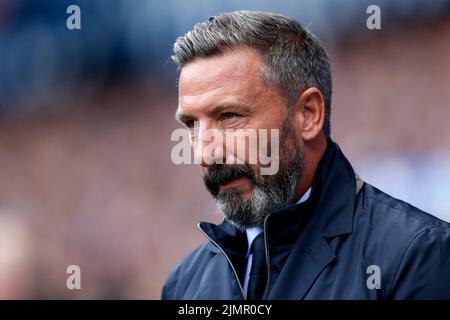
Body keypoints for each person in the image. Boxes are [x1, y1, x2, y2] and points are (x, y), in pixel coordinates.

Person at [162, 10, 450, 300]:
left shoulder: (415, 255)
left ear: (308, 114)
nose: (207, 153)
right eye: (192, 125)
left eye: (229, 116)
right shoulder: (184, 284)